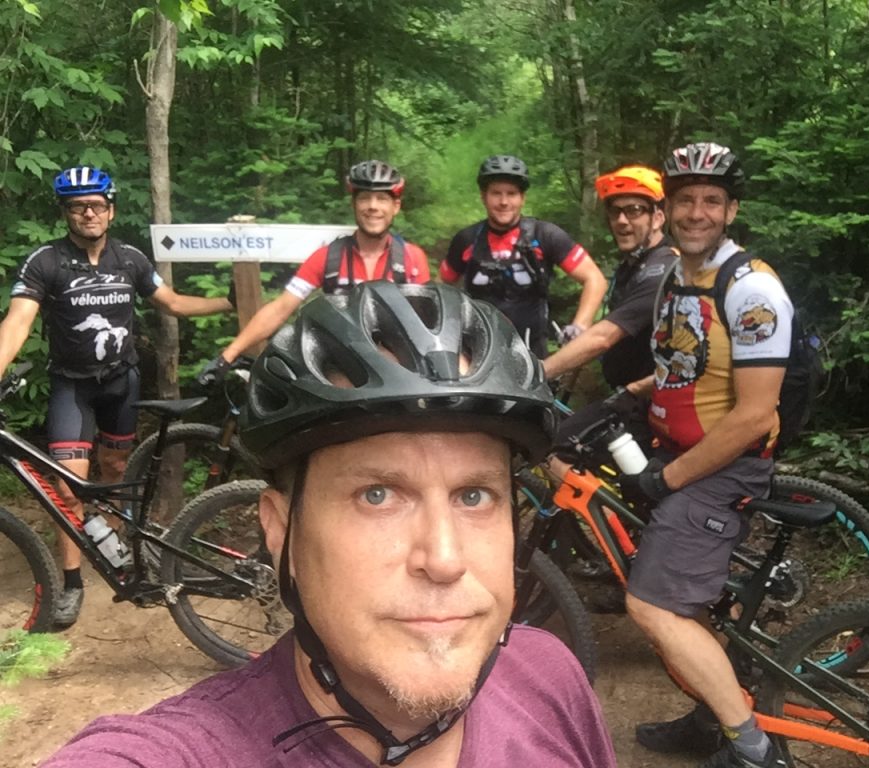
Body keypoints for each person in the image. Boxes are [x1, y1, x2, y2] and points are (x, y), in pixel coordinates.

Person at [42, 281, 617, 768]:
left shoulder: (547, 675)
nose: (444, 559)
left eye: (474, 495)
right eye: (377, 494)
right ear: (279, 529)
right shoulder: (187, 750)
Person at [621, 143, 793, 768]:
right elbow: (682, 364)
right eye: (685, 199)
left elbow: (753, 415)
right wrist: (630, 395)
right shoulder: (675, 274)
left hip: (720, 468)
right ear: (667, 209)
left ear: (731, 210)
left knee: (652, 604)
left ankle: (752, 749)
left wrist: (668, 479)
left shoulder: (752, 291)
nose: (697, 211)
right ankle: (708, 716)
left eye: (711, 201)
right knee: (687, 603)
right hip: (679, 447)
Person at [0, 165, 233, 628]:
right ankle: (71, 582)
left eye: (96, 205)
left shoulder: (129, 258)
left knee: (115, 471)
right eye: (77, 206)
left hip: (120, 383)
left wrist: (231, 302)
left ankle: (126, 552)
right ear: (65, 212)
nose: (88, 213)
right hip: (73, 387)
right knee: (68, 490)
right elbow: (18, 321)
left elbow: (172, 303)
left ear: (111, 209)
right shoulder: (45, 261)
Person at [198, 159, 430, 383]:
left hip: (397, 369)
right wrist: (228, 355)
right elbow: (281, 307)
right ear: (354, 204)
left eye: (382, 199)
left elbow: (424, 321)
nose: (373, 206)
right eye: (365, 198)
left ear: (395, 206)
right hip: (342, 365)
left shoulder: (412, 258)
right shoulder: (328, 258)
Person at [542, 164, 676, 456]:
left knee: (550, 448)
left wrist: (539, 371)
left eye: (634, 210)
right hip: (629, 399)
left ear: (658, 217)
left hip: (653, 405)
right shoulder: (633, 267)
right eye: (615, 212)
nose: (622, 220)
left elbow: (604, 337)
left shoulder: (661, 269)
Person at [439, 154, 607, 358]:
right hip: (477, 353)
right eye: (496, 193)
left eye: (511, 193)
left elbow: (595, 279)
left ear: (522, 198)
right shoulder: (466, 240)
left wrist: (579, 327)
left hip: (532, 352)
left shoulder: (545, 236)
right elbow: (440, 288)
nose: (504, 202)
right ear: (484, 196)